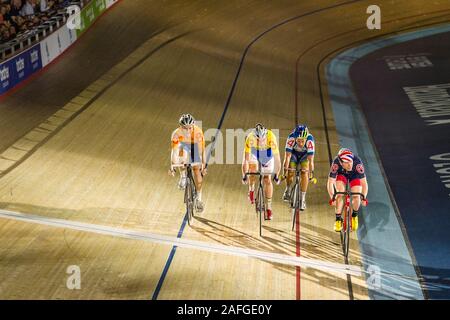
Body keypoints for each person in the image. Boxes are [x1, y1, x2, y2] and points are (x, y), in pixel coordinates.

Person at [241, 123, 281, 220]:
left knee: (267, 179)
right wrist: (244, 175)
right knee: (252, 170)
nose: (260, 141)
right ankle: (251, 189)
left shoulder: (271, 137)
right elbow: (245, 160)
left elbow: (277, 159)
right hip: (255, 152)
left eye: (262, 139)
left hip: (267, 153)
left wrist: (276, 174)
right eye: (258, 140)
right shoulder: (250, 138)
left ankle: (269, 208)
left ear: (265, 137)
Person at [169, 114, 207, 213]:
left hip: (195, 146)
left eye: (190, 128)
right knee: (181, 157)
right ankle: (183, 176)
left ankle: (199, 198)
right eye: (185, 128)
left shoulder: (198, 132)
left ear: (193, 126)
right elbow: (174, 152)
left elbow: (202, 151)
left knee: (197, 172)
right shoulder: (176, 134)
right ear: (180, 127)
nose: (188, 130)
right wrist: (173, 166)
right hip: (183, 146)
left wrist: (203, 165)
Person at [327, 148, 368, 232]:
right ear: (341, 163)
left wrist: (364, 198)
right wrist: (332, 197)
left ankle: (354, 215)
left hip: (354, 175)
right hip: (342, 174)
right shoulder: (336, 164)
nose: (350, 165)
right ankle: (338, 219)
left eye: (350, 162)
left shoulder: (357, 163)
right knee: (339, 194)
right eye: (347, 163)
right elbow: (330, 182)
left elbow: (364, 183)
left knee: (357, 196)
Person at [282, 124, 315, 210]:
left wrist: (311, 174)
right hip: (293, 154)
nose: (300, 143)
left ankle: (302, 199)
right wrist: (284, 173)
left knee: (304, 173)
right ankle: (288, 189)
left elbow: (311, 160)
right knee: (291, 171)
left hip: (304, 156)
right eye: (298, 141)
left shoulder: (310, 140)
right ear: (295, 138)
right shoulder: (291, 138)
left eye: (302, 141)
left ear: (306, 139)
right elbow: (287, 157)